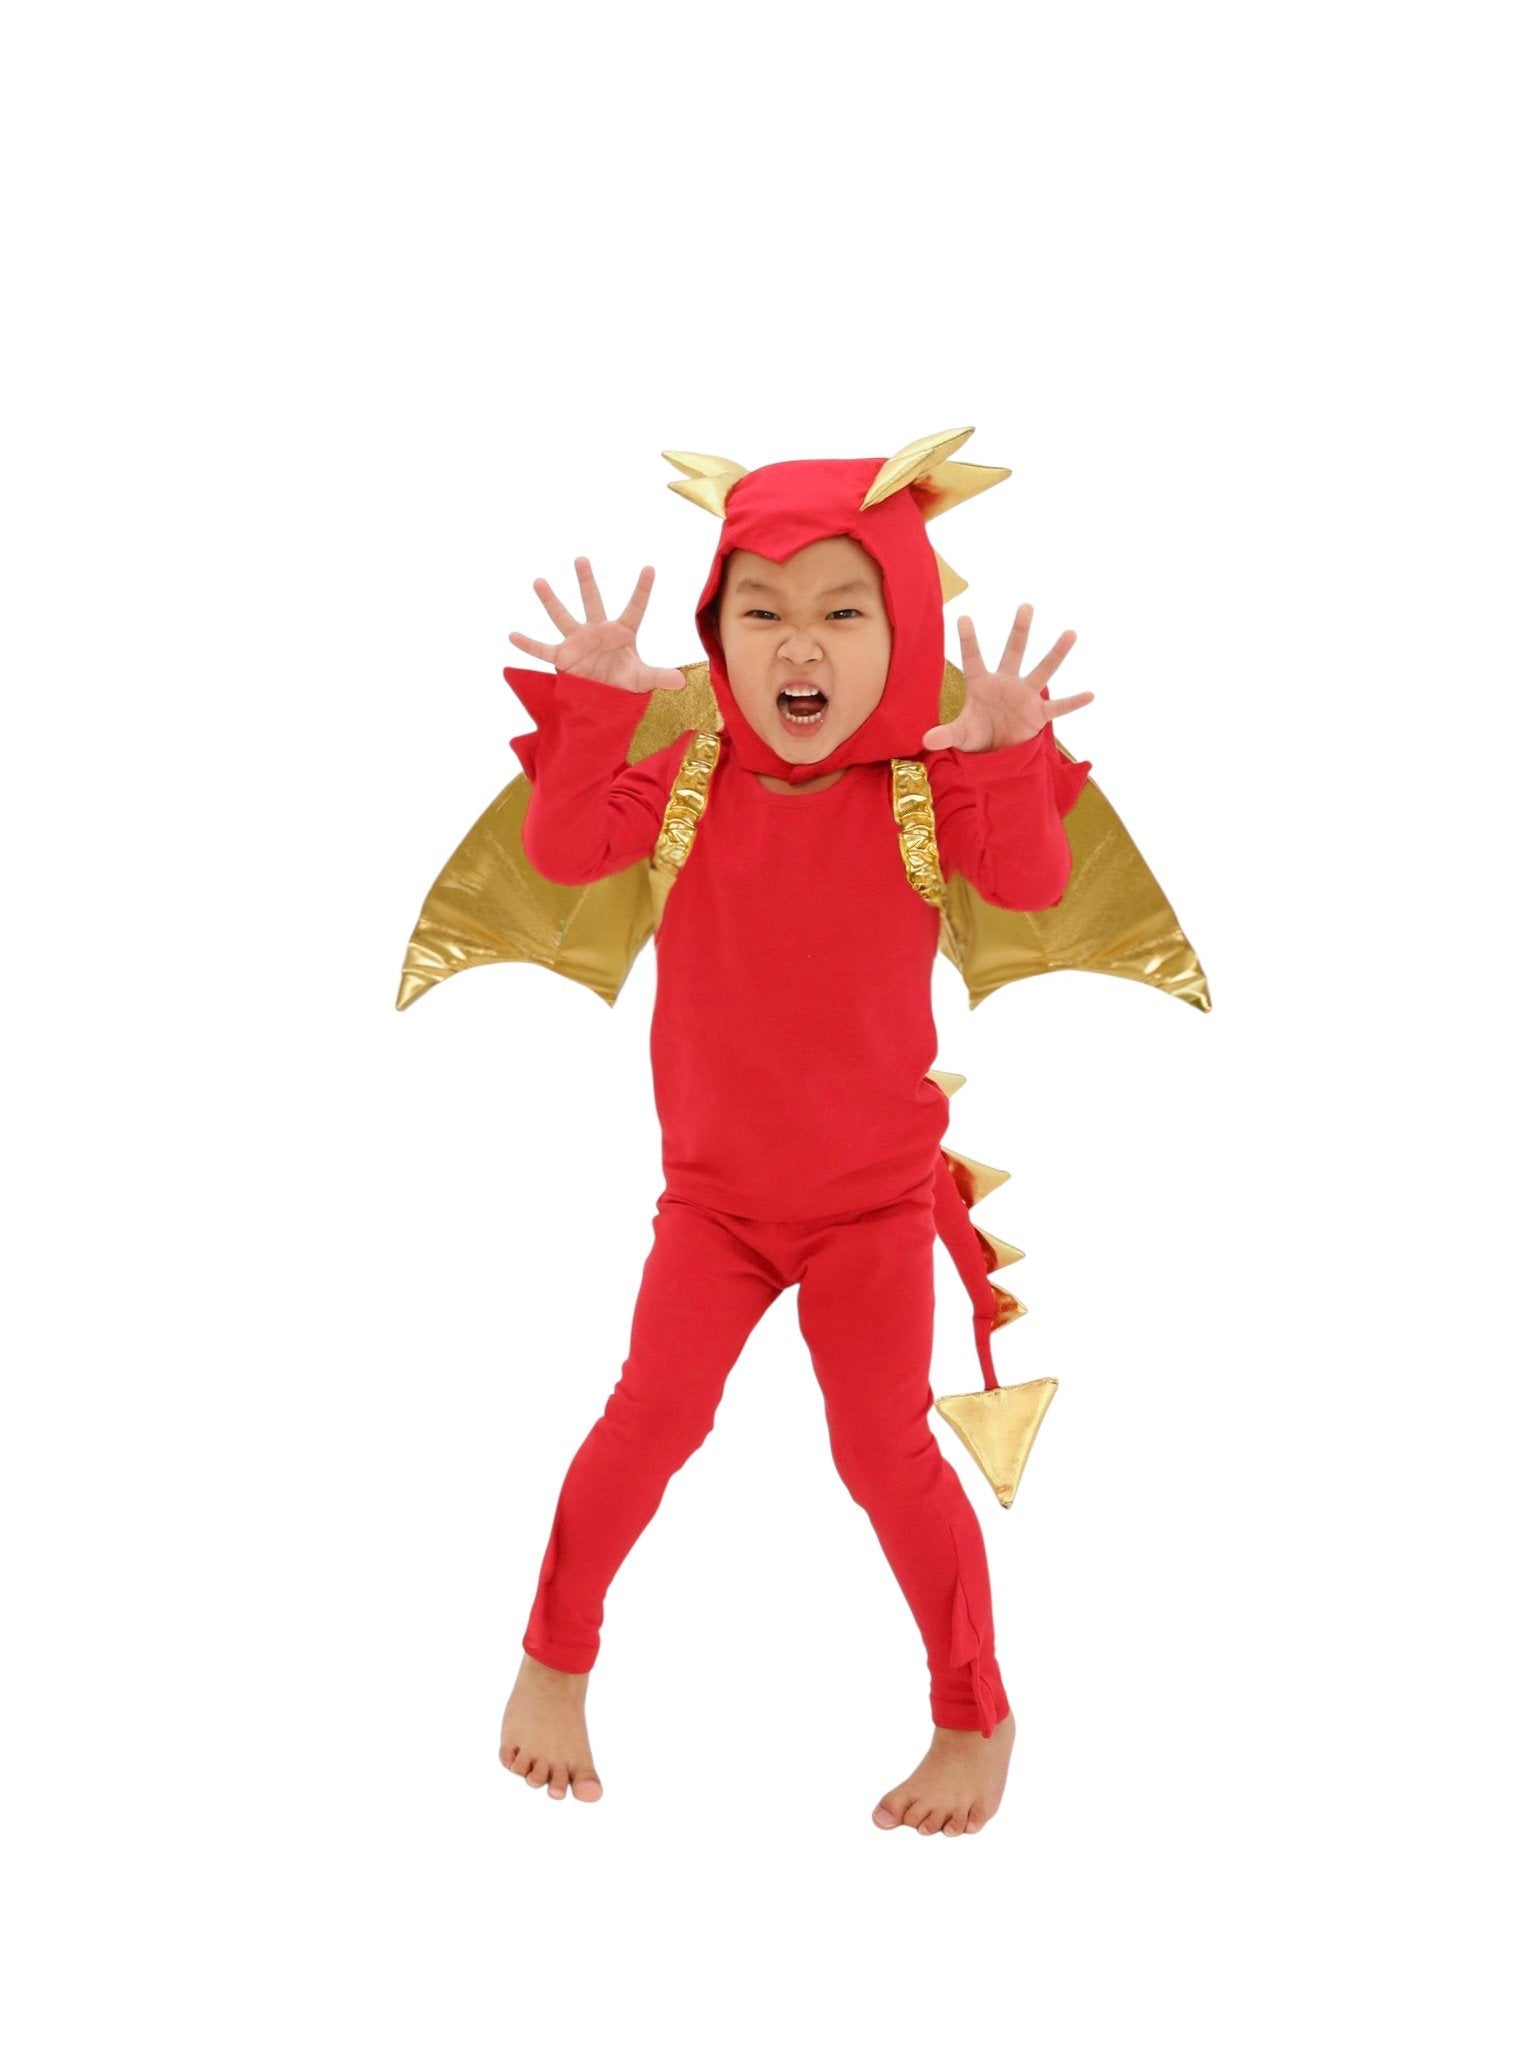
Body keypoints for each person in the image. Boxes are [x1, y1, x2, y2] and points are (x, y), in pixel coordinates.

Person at [495, 441, 1094, 1833]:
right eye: (761, 611)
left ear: (904, 630)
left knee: (881, 1448)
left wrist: (1010, 752)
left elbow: (1031, 875)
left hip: (872, 1209)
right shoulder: (689, 784)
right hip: (710, 1208)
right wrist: (592, 706)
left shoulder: (921, 794)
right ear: (715, 639)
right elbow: (569, 851)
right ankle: (550, 1659)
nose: (801, 643)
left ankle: (974, 1711)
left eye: (843, 608)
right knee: (647, 1420)